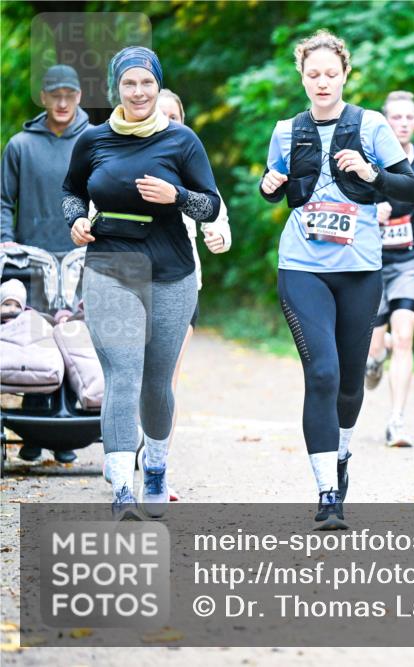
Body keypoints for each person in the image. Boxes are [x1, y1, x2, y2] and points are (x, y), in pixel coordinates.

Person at [259, 30, 414, 529]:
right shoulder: (287, 130)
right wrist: (268, 185)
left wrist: (372, 176)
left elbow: (409, 189)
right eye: (313, 74)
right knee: (322, 374)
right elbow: (274, 185)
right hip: (301, 266)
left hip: (360, 270)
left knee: (350, 382)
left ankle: (342, 452)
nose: (322, 82)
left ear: (346, 74)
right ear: (302, 77)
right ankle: (328, 492)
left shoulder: (370, 126)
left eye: (331, 74)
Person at [63, 47, 222, 520]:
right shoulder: (93, 140)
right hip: (111, 266)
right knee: (123, 374)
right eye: (129, 84)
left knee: (156, 382)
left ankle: (154, 467)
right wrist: (76, 220)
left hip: (171, 271)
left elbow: (210, 205)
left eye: (146, 83)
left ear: (157, 85)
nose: (138, 92)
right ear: (117, 88)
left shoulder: (182, 140)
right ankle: (121, 490)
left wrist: (177, 196)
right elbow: (71, 191)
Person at [1, 64, 91, 464]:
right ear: (43, 97)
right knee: (35, 341)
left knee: (72, 339)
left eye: (69, 95)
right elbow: (3, 201)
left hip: (78, 258)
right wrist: (6, 242)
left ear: (79, 97)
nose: (62, 103)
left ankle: (65, 435)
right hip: (30, 259)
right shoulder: (20, 145)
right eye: (55, 95)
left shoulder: (92, 140)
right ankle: (34, 433)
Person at [147, 89, 232, 502]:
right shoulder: (121, 158)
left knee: (166, 380)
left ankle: (156, 468)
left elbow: (218, 217)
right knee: (128, 379)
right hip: (128, 281)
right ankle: (124, 458)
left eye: (173, 116)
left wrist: (219, 237)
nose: (166, 122)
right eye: (158, 115)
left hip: (183, 283)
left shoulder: (192, 165)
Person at [364, 91, 414, 448]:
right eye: (396, 117)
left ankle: (396, 421)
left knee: (405, 336)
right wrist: (371, 211)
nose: (404, 123)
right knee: (373, 348)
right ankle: (375, 358)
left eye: (409, 117)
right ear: (385, 122)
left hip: (411, 259)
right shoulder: (368, 159)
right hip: (371, 261)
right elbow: (346, 201)